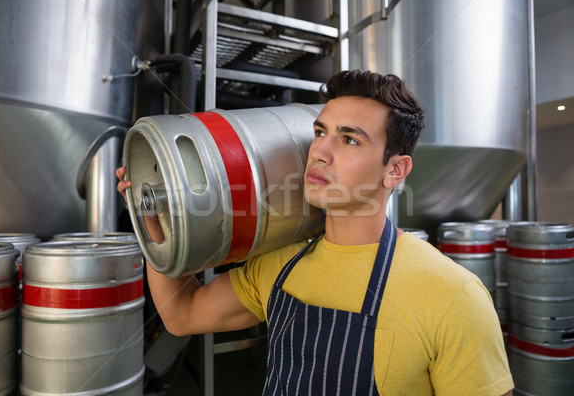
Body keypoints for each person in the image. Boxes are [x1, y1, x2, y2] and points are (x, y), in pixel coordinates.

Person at [117, 70, 514, 395]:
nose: (320, 151)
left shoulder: (453, 296)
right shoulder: (278, 264)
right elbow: (182, 315)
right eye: (320, 132)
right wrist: (155, 216)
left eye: (349, 139)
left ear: (395, 170)